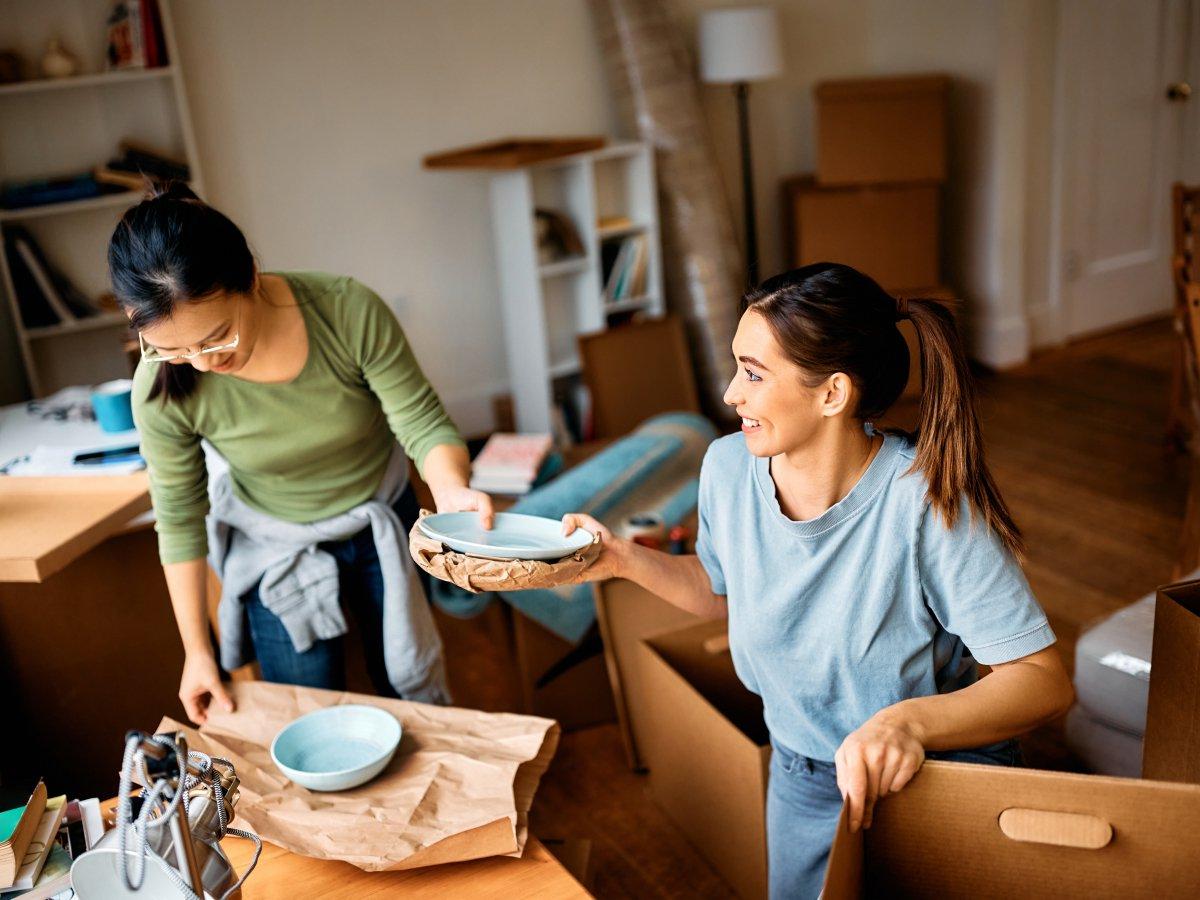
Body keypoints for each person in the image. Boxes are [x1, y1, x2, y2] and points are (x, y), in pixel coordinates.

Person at [561, 263, 1074, 899]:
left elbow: (1043, 682)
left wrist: (906, 725)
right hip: (803, 768)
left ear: (833, 394)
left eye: (752, 373)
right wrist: (620, 559)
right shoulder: (726, 469)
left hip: (937, 773)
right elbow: (723, 592)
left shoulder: (927, 503)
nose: (729, 395)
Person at [111, 182, 494, 725]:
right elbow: (178, 518)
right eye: (171, 349)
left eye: (216, 338)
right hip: (275, 544)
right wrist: (198, 653)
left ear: (249, 276)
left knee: (407, 700)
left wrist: (451, 489)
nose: (198, 364)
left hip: (380, 515)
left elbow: (422, 423)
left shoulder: (345, 310)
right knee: (309, 714)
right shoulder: (159, 388)